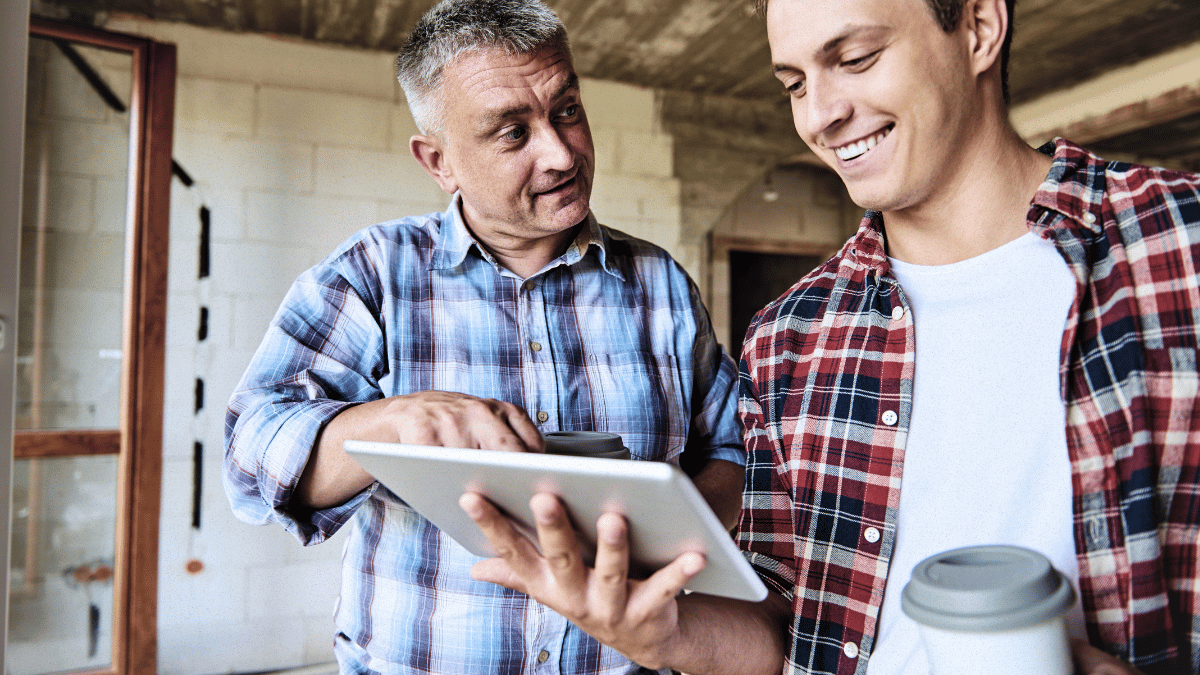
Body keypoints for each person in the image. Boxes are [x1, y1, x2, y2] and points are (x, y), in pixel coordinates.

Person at [460, 0, 1200, 673]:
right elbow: (788, 622)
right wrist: (658, 633)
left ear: (978, 27)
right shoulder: (790, 335)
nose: (819, 114)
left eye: (854, 59)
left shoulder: (1176, 247)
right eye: (793, 82)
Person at [222, 1, 746, 673]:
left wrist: (669, 537)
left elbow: (732, 448)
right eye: (511, 132)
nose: (561, 153)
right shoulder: (374, 273)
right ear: (439, 161)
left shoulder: (662, 284)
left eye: (567, 110)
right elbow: (249, 458)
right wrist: (386, 422)